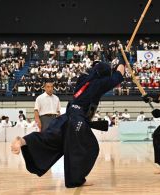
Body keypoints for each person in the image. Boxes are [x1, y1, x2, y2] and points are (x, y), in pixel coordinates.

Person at [11, 55, 126, 188]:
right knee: (90, 148)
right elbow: (119, 74)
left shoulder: (83, 79)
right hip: (78, 118)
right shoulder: (99, 84)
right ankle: (77, 179)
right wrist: (123, 60)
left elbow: (95, 69)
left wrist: (102, 65)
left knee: (50, 138)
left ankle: (23, 141)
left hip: (68, 115)